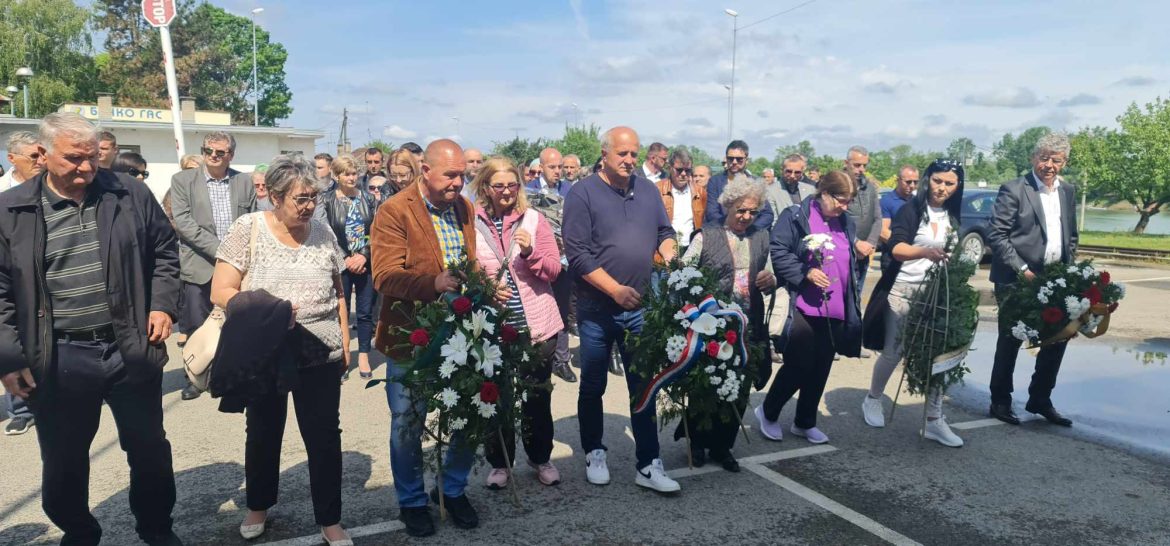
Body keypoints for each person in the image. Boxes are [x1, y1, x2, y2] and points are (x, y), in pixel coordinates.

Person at [0, 112, 182, 545]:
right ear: (42, 155)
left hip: (129, 348)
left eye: (92, 158)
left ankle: (157, 529)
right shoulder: (11, 210)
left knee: (149, 450)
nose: (86, 168)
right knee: (64, 459)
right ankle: (79, 531)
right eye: (74, 159)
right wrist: (8, 357)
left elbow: (164, 252)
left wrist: (162, 305)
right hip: (59, 356)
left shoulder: (130, 194)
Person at [210, 155, 353, 546]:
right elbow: (220, 291)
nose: (309, 206)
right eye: (300, 199)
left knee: (324, 436)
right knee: (263, 431)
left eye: (314, 198)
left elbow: (339, 292)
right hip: (267, 348)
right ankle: (258, 505)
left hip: (319, 348)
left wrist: (344, 341)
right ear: (274, 196)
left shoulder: (323, 231)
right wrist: (268, 309)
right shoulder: (248, 228)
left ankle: (330, 519)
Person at [371, 139, 480, 537]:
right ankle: (413, 501)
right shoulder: (394, 210)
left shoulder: (464, 207)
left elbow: (468, 264)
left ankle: (451, 490)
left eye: (462, 175)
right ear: (425, 171)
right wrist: (433, 284)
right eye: (450, 175)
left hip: (462, 332)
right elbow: (383, 275)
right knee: (408, 422)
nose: (458, 182)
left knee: (471, 412)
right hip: (410, 337)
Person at [563, 126, 681, 493]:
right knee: (594, 383)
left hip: (641, 307)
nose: (629, 160)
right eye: (622, 154)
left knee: (643, 385)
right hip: (598, 309)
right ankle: (594, 450)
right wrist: (614, 290)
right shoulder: (582, 194)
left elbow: (665, 231)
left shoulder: (647, 189)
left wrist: (670, 253)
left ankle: (648, 463)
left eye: (634, 153)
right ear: (605, 154)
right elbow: (578, 253)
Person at [471, 157, 564, 489]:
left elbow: (554, 269)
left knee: (537, 395)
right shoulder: (472, 221)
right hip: (493, 326)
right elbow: (465, 267)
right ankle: (500, 463)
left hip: (535, 324)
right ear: (485, 187)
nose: (507, 191)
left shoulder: (534, 219)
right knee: (497, 396)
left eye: (513, 185)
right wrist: (483, 285)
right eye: (499, 185)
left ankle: (540, 458)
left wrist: (530, 255)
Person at [861, 159, 966, 447]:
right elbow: (896, 248)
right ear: (927, 180)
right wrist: (925, 251)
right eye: (937, 181)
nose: (941, 188)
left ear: (957, 187)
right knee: (893, 353)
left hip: (937, 294)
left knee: (938, 356)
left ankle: (934, 419)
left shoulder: (953, 217)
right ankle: (873, 398)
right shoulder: (912, 210)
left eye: (949, 183)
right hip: (903, 291)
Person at [757, 171, 862, 445]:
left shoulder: (847, 222)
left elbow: (847, 259)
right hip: (803, 304)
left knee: (821, 366)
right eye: (840, 199)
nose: (844, 206)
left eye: (849, 201)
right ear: (823, 193)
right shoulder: (796, 216)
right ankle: (767, 412)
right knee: (799, 364)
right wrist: (805, 273)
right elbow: (779, 252)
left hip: (835, 305)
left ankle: (804, 422)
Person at [678, 177, 776, 471]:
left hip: (749, 325)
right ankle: (696, 442)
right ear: (728, 207)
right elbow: (683, 274)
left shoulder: (761, 237)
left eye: (752, 211)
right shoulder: (705, 236)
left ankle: (723, 446)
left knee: (739, 386)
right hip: (713, 324)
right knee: (706, 385)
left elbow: (769, 274)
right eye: (741, 210)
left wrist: (770, 280)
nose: (746, 217)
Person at [987, 133, 1079, 427]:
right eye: (1044, 157)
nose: (1049, 165)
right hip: (1017, 278)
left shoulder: (1067, 191)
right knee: (1011, 339)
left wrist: (1069, 268)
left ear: (1064, 162)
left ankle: (1040, 398)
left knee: (1058, 337)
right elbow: (997, 235)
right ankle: (1000, 400)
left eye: (1056, 159)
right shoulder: (1014, 189)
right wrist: (1022, 269)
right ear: (1033, 158)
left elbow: (1071, 236)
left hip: (1055, 279)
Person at [170, 131, 257, 400]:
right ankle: (195, 378)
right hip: (199, 264)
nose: (214, 157)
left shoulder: (244, 181)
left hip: (237, 267)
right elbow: (183, 222)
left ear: (231, 154)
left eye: (220, 152)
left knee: (236, 322)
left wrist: (237, 255)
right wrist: (220, 250)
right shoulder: (183, 180)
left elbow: (252, 219)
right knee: (197, 323)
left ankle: (229, 375)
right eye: (208, 151)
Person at [1, 130, 44, 436]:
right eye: (33, 157)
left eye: (43, 155)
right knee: (11, 344)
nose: (41, 162)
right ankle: (19, 408)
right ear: (12, 159)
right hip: (10, 276)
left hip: (41, 278)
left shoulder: (50, 188)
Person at [320, 156, 376, 379]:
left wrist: (363, 256)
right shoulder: (326, 200)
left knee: (364, 312)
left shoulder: (369, 199)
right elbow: (325, 233)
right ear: (336, 176)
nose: (351, 178)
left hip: (365, 264)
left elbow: (378, 230)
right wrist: (345, 260)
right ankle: (343, 355)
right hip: (340, 265)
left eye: (354, 173)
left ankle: (363, 355)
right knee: (340, 311)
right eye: (346, 173)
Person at [704, 140, 773, 229]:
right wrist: (731, 229)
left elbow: (767, 214)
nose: (734, 162)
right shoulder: (715, 181)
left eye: (739, 159)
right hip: (723, 232)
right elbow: (712, 212)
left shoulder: (756, 183)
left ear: (746, 160)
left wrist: (748, 229)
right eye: (730, 158)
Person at [842, 146, 881, 287]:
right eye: (857, 165)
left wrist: (869, 244)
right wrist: (856, 243)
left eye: (864, 165)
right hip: (843, 251)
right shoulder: (838, 185)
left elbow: (877, 218)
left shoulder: (869, 187)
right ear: (846, 163)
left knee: (857, 296)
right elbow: (835, 220)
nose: (861, 169)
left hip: (863, 254)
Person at [656, 147, 706, 252]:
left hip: (691, 248)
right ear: (670, 168)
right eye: (679, 170)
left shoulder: (700, 192)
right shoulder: (657, 190)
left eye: (687, 170)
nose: (683, 174)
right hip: (664, 248)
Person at [878, 165, 920, 269]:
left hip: (914, 259)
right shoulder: (887, 202)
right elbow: (882, 231)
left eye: (915, 182)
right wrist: (903, 247)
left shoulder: (918, 202)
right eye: (908, 182)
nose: (912, 185)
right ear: (898, 180)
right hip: (892, 258)